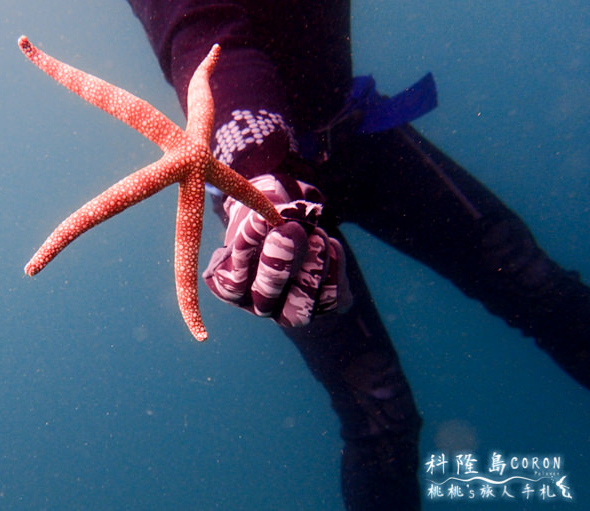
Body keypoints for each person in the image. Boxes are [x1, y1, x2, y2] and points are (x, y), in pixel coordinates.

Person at [127, 1, 590, 509]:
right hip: (265, 188)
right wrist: (255, 174)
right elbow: (198, 29)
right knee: (379, 410)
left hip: (353, 128)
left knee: (534, 282)